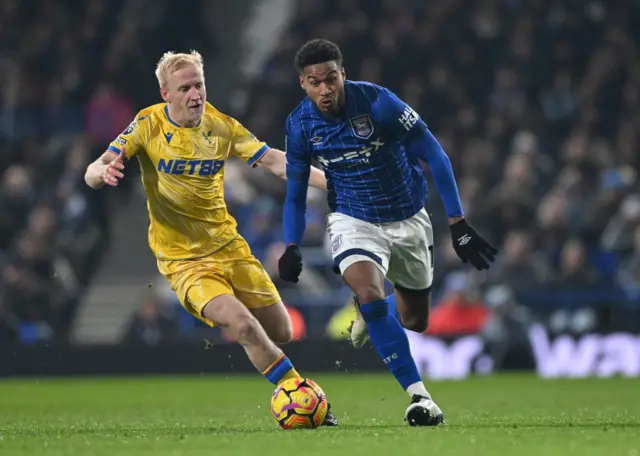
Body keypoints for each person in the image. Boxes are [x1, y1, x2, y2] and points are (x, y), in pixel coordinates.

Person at [84, 50, 338, 426]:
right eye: (184, 88)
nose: (195, 95)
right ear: (165, 93)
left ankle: (265, 352)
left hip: (229, 248)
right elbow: (95, 167)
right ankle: (297, 392)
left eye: (199, 85)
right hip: (184, 261)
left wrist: (335, 184)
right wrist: (101, 174)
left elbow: (277, 162)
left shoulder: (221, 126)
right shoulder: (147, 125)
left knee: (281, 330)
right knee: (244, 325)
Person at [278, 39, 497, 426]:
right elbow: (295, 194)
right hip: (352, 219)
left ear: (343, 74)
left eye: (331, 79)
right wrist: (292, 244)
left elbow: (435, 154)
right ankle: (420, 398)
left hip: (409, 218)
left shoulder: (379, 104)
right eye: (316, 82)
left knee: (415, 320)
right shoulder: (299, 126)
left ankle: (372, 309)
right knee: (369, 293)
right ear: (303, 84)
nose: (325, 89)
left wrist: (458, 223)